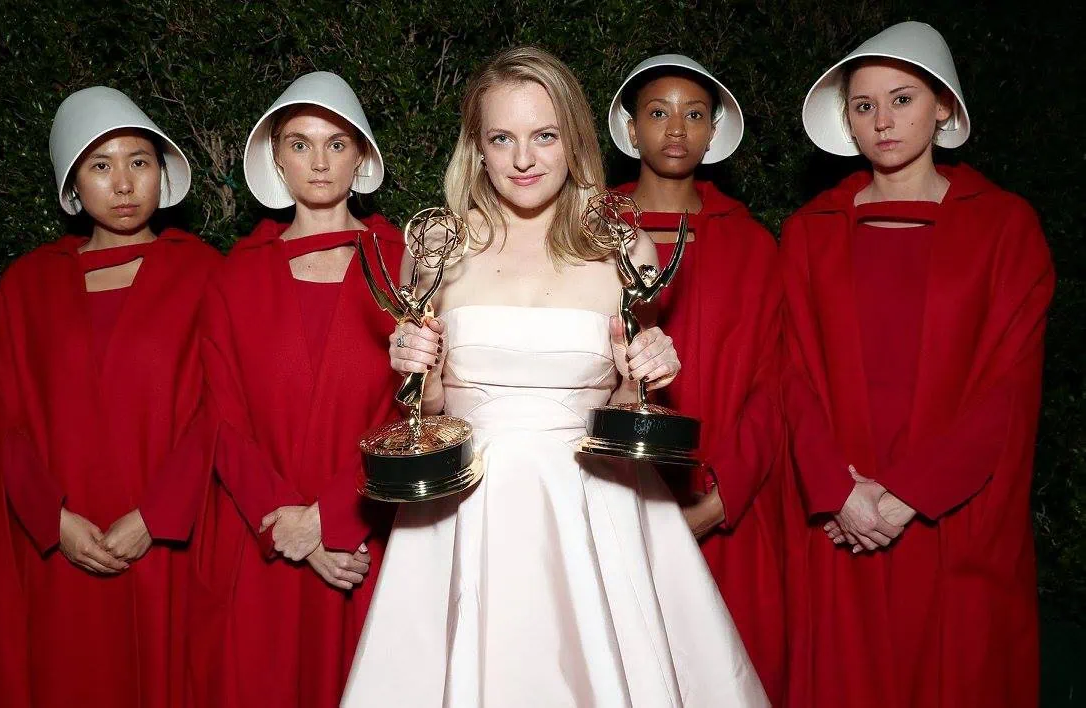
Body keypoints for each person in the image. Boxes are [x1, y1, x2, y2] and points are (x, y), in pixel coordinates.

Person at [343, 46, 767, 708]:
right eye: (501, 139)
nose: (523, 159)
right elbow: (427, 412)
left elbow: (622, 407)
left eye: (543, 136)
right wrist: (413, 368)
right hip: (464, 512)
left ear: (573, 139)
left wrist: (646, 373)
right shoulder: (436, 247)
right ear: (476, 148)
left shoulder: (622, 247)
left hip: (593, 510)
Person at [780, 21, 1053, 708]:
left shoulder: (1005, 226)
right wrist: (837, 491)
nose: (883, 121)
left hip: (956, 518)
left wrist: (906, 497)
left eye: (902, 100)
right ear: (846, 121)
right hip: (842, 517)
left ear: (943, 107)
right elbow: (788, 371)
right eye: (863, 105)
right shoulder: (809, 230)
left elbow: (1010, 388)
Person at [0, 86, 220, 708]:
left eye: (139, 162)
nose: (123, 184)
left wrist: (157, 515)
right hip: (61, 543)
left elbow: (220, 412)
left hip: (167, 541)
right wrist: (52, 519)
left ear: (162, 174)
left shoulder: (206, 273)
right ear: (72, 184)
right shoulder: (26, 285)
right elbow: (7, 421)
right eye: (101, 166)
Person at [183, 71, 403, 706]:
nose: (320, 162)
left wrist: (333, 518)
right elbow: (221, 419)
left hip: (372, 538)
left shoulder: (404, 263)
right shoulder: (235, 277)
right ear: (276, 159)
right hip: (265, 542)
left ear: (361, 156)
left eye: (337, 144)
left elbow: (412, 409)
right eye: (300, 144)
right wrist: (293, 531)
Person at [608, 54, 787, 705]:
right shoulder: (585, 232)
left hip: (723, 508)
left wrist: (720, 499)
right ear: (631, 130)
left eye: (694, 114)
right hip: (608, 501)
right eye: (658, 112)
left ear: (714, 132)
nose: (676, 128)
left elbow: (774, 386)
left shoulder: (752, 245)